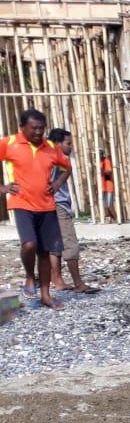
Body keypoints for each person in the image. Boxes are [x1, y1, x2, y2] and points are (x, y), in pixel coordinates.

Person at [0, 109, 71, 310]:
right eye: (34, 128)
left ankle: (46, 296)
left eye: (42, 128)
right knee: (29, 244)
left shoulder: (50, 147)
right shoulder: (9, 143)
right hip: (21, 203)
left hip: (46, 205)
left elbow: (67, 167)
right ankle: (30, 276)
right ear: (22, 127)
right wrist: (3, 188)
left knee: (45, 251)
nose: (39, 132)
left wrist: (57, 183)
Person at [48, 128, 99, 295]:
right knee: (70, 243)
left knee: (54, 245)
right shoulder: (57, 159)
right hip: (59, 205)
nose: (71, 147)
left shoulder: (46, 157)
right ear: (57, 144)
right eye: (68, 143)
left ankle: (57, 280)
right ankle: (78, 283)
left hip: (49, 205)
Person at [98, 149, 117, 223]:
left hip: (108, 186)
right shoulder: (100, 162)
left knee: (109, 205)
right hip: (103, 187)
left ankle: (116, 219)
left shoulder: (106, 161)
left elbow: (109, 172)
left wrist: (101, 169)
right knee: (106, 206)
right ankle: (112, 220)